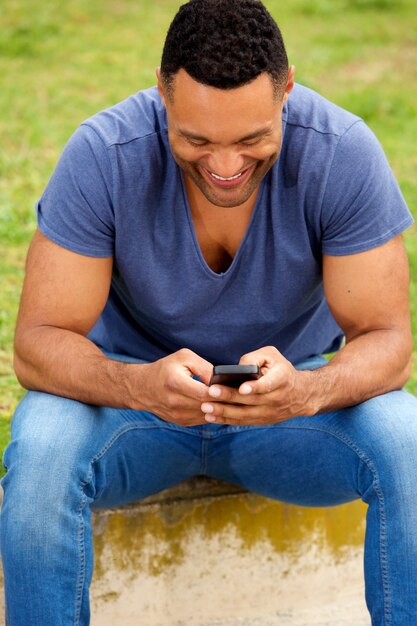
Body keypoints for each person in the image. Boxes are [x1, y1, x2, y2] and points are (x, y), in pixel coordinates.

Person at [1, 0, 416, 623]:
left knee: (406, 438)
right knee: (42, 444)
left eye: (252, 140)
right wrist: (135, 384)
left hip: (286, 416)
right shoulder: (104, 152)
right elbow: (37, 343)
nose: (224, 167)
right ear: (164, 94)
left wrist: (305, 391)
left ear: (287, 91)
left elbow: (388, 340)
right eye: (196, 140)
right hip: (133, 408)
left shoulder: (341, 152)